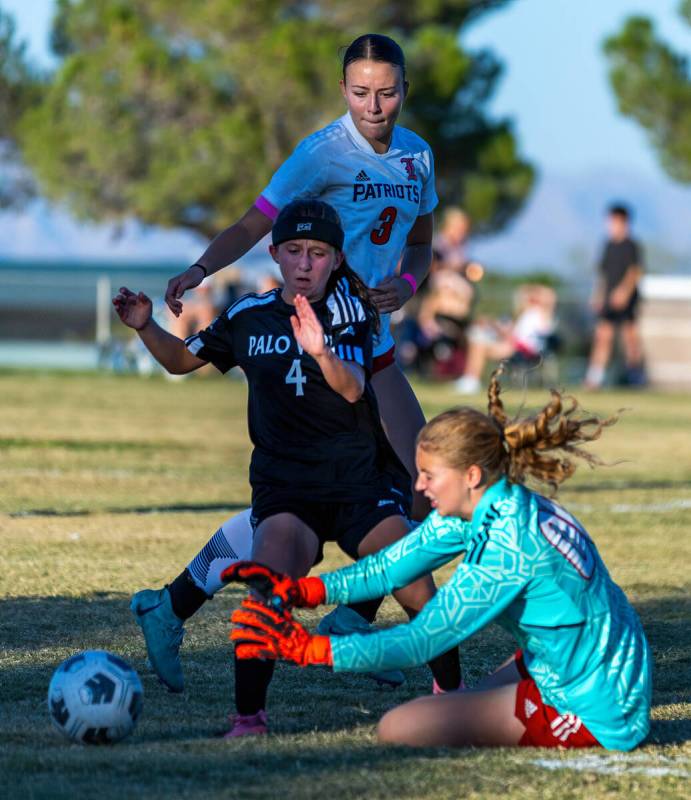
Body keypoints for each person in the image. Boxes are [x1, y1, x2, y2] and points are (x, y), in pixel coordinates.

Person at [131, 32, 444, 693]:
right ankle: (183, 608)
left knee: (414, 488)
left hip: (369, 339)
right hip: (318, 338)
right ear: (342, 90)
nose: (374, 106)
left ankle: (337, 621)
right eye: (360, 92)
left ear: (404, 90)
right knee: (304, 499)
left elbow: (419, 246)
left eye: (387, 92)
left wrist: (407, 288)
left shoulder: (418, 157)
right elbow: (253, 224)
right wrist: (198, 268)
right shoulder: (321, 154)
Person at [115, 199, 461, 736]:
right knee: (268, 589)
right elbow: (182, 360)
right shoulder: (248, 316)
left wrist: (322, 352)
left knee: (413, 579)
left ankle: (452, 700)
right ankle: (248, 719)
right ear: (274, 253)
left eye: (319, 253)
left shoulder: (354, 312)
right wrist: (144, 327)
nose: (305, 263)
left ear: (337, 259)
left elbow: (352, 388)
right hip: (287, 489)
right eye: (294, 251)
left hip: (359, 484)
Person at [227, 367, 652, 750]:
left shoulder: (507, 546)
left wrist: (310, 649)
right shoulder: (489, 502)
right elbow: (391, 566)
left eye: (430, 475)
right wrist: (306, 590)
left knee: (400, 725)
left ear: (470, 475)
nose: (419, 485)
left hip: (597, 703)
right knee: (463, 703)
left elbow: (424, 639)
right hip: (592, 660)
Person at [584, 203, 646, 389]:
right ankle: (594, 378)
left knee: (630, 339)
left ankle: (635, 377)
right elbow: (603, 274)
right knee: (603, 337)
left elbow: (635, 271)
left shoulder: (632, 246)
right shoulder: (608, 245)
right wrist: (598, 294)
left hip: (627, 300)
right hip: (608, 300)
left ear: (623, 221)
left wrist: (624, 292)